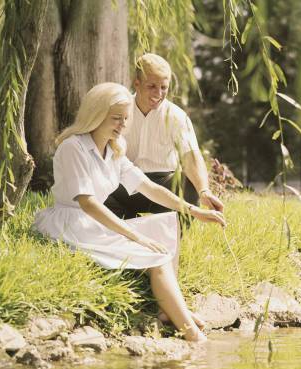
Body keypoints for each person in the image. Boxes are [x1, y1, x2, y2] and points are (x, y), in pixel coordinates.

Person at [34, 82, 225, 342]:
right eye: (116, 118)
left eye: (125, 118)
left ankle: (169, 309)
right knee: (154, 253)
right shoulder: (73, 147)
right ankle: (192, 335)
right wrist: (135, 236)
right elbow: (88, 203)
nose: (123, 125)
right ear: (96, 114)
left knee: (166, 225)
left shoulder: (114, 149)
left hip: (94, 222)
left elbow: (149, 187)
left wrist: (194, 211)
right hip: (75, 222)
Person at [104, 53, 224, 220]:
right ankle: (127, 226)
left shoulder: (177, 116)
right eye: (152, 86)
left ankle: (174, 233)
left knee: (188, 185)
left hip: (165, 187)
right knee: (99, 185)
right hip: (125, 183)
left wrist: (204, 191)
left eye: (163, 87)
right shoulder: (119, 112)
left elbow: (191, 156)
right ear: (137, 83)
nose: (158, 93)